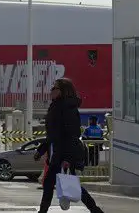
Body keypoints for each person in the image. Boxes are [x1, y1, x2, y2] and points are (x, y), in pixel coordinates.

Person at [34, 78, 104, 213]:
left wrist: (67, 158)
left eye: (55, 88)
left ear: (63, 91)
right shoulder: (55, 107)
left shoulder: (67, 109)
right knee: (54, 183)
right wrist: (41, 150)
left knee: (63, 184)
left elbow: (72, 135)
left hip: (64, 154)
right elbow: (53, 135)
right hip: (57, 153)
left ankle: (95, 210)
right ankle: (95, 210)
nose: (51, 91)